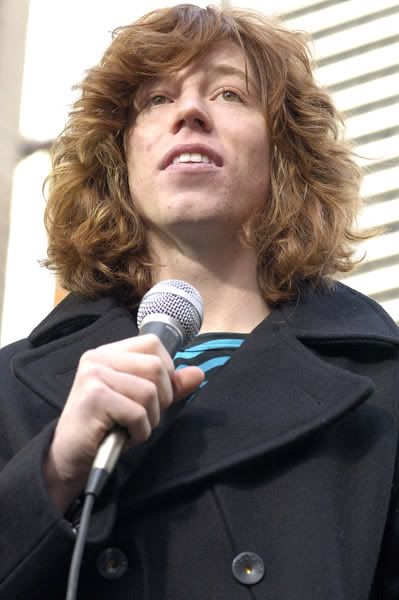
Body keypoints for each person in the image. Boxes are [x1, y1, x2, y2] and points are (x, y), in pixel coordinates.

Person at [0, 4, 398, 599]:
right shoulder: (11, 389)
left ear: (282, 155)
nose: (189, 111)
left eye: (230, 94)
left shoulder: (381, 384)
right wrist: (54, 471)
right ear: (121, 159)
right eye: (157, 100)